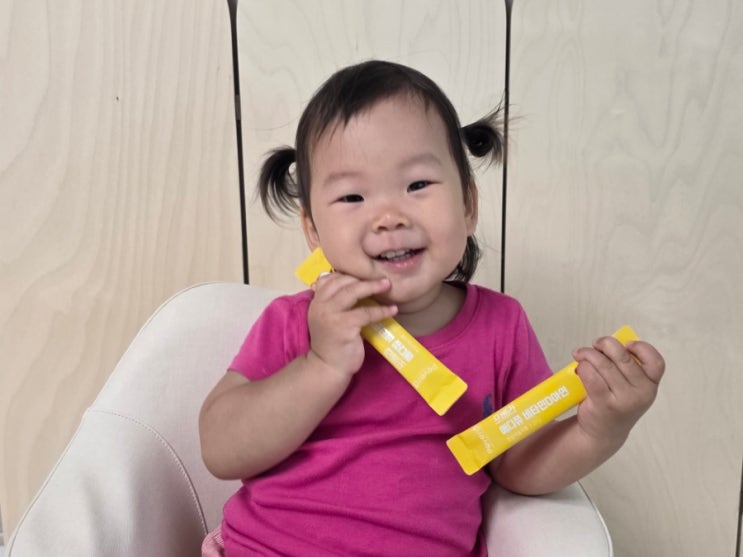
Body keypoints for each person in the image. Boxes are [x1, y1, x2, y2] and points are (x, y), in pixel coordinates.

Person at [198, 60, 665, 556]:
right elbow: (221, 450)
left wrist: (600, 428)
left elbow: (518, 465)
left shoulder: (500, 328)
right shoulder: (296, 322)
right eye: (353, 196)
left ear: (468, 205)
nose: (389, 217)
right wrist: (320, 366)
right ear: (313, 230)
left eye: (417, 185)